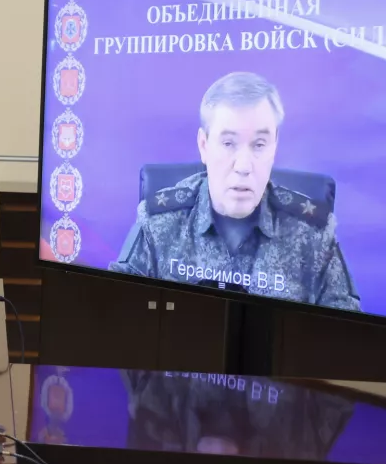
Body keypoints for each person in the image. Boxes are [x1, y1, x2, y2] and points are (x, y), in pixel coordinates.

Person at [110, 72, 360, 311]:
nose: (243, 166)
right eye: (228, 143)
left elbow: (345, 337)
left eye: (259, 145)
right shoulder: (159, 222)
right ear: (204, 145)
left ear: (275, 146)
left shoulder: (313, 234)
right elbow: (116, 310)